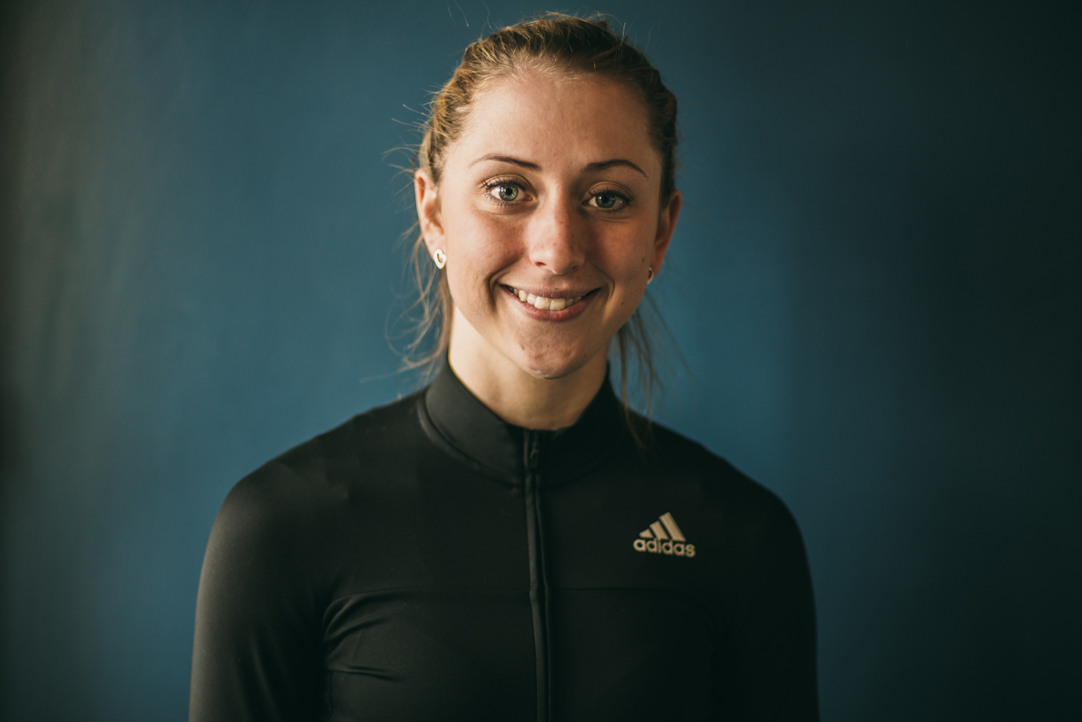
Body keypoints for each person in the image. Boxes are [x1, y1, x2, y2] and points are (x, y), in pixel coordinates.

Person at [189, 13, 819, 722]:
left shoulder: (744, 536)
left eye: (607, 198)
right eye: (508, 190)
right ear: (434, 215)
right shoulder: (281, 527)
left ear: (660, 233)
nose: (558, 249)